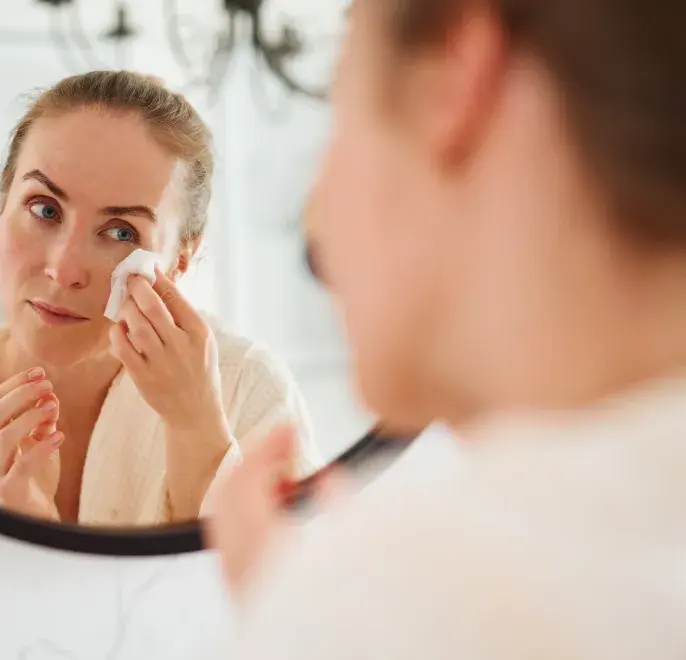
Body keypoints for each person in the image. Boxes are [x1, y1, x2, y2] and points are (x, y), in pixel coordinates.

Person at [207, 0, 686, 658]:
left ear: (451, 71)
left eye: (342, 111)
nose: (314, 218)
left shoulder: (400, 595)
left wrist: (314, 614)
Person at [0, 70, 322, 525]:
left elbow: (295, 595)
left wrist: (197, 431)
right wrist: (29, 532)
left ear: (180, 259)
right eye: (44, 209)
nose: (64, 269)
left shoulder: (247, 390)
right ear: (2, 204)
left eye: (121, 232)